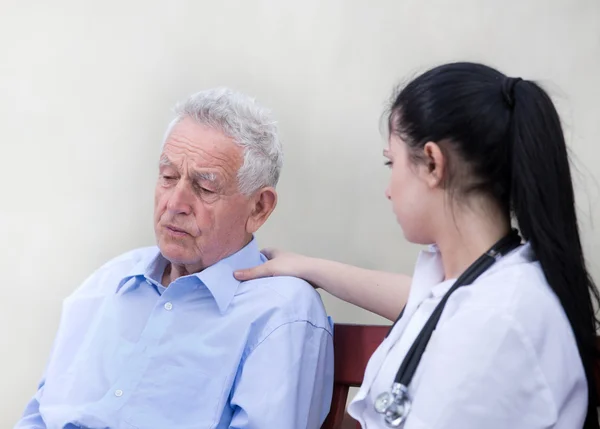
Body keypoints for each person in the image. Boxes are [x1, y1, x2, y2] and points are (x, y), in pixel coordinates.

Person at [234, 62, 600, 428]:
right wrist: (309, 267)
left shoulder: (500, 320)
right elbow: (428, 300)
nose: (388, 189)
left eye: (391, 163)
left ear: (432, 164)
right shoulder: (486, 283)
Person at [15, 88, 334, 429]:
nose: (175, 202)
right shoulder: (108, 282)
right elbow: (39, 415)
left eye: (205, 188)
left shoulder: (280, 312)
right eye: (168, 177)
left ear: (259, 207)